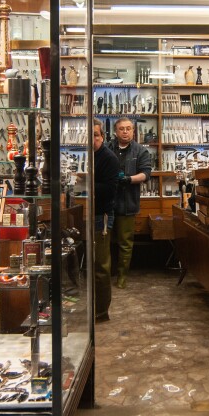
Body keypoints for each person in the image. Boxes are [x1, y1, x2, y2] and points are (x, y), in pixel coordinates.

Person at [108, 117, 153, 289]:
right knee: (107, 241)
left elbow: (146, 174)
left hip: (128, 202)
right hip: (108, 202)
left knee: (125, 243)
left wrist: (128, 179)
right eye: (121, 129)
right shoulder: (108, 148)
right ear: (116, 131)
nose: (125, 131)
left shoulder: (140, 151)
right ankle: (108, 274)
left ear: (133, 131)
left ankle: (122, 277)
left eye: (128, 128)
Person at [92, 119, 119, 322]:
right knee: (93, 265)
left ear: (102, 137)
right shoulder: (90, 156)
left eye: (95, 135)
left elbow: (111, 189)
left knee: (101, 266)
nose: (92, 139)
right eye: (89, 135)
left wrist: (87, 184)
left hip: (102, 217)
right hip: (90, 215)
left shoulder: (108, 158)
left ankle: (101, 311)